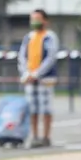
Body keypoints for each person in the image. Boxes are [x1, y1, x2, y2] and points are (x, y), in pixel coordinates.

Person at [17, 9, 59, 149]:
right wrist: (26, 73)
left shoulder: (49, 37)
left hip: (45, 79)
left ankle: (46, 137)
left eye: (38, 18)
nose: (35, 21)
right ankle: (34, 136)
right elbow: (22, 56)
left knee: (46, 109)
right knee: (32, 109)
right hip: (30, 79)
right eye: (32, 19)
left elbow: (51, 57)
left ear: (45, 21)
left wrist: (38, 73)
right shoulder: (28, 37)